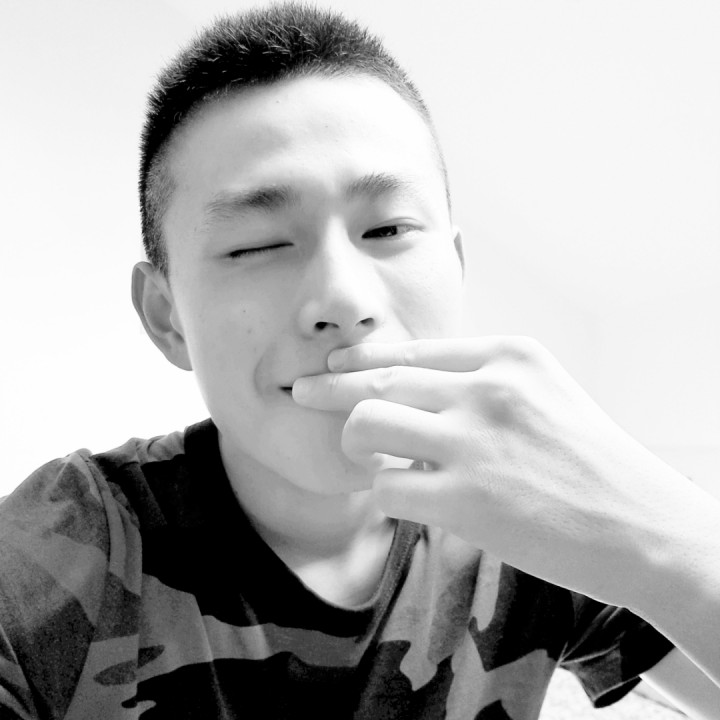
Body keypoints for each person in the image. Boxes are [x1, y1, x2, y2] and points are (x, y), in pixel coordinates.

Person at [1, 3, 719, 718]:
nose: (344, 300)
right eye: (256, 245)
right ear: (166, 317)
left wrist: (664, 534)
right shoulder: (61, 550)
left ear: (457, 268)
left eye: (389, 229)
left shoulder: (531, 514)